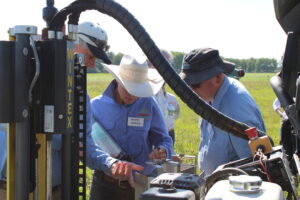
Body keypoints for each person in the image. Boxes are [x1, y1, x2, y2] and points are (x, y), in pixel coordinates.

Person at [0, 21, 112, 199]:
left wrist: (110, 164)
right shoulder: (19, 79)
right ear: (71, 46)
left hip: (56, 192)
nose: (91, 64)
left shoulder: (81, 97)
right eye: (90, 56)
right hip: (9, 190)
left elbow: (86, 143)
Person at [89, 54, 174, 200]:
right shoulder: (96, 106)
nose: (132, 95)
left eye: (137, 90)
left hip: (140, 184)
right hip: (105, 185)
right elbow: (87, 145)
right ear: (117, 80)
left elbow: (163, 138)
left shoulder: (149, 104)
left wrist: (162, 151)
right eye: (127, 88)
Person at [179, 47, 266, 176]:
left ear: (218, 78)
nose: (190, 90)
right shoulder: (210, 96)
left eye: (195, 84)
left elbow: (255, 167)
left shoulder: (236, 108)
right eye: (187, 84)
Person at [148, 49, 180, 145]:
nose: (164, 69)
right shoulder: (142, 95)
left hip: (169, 135)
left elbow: (175, 115)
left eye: (168, 65)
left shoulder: (172, 99)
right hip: (149, 136)